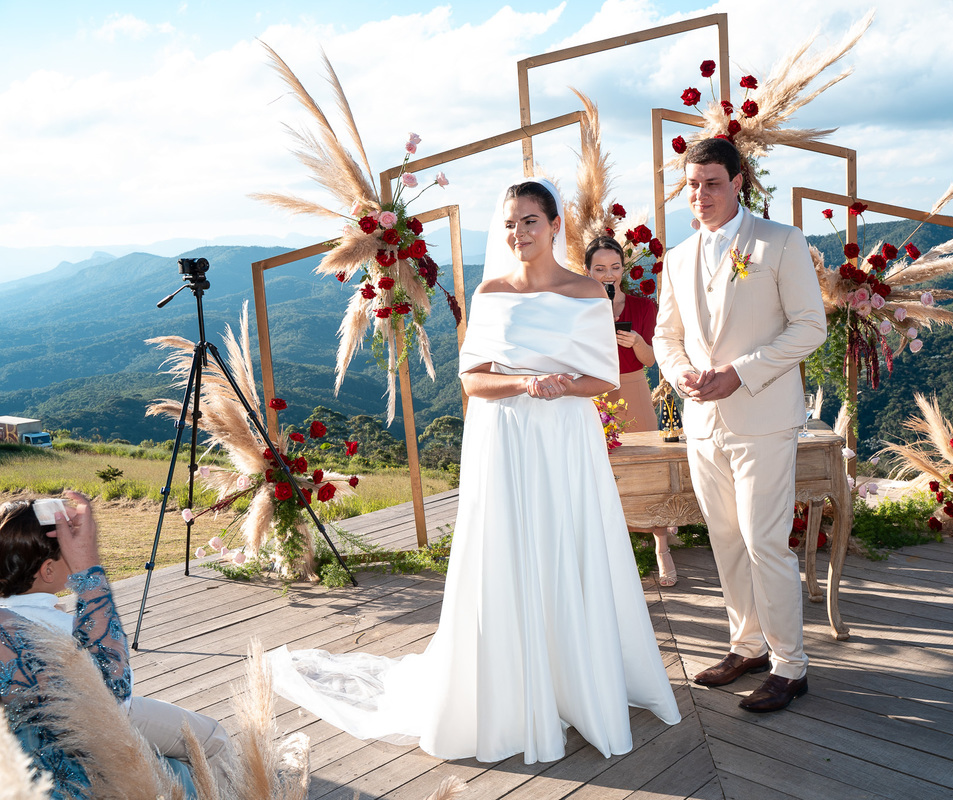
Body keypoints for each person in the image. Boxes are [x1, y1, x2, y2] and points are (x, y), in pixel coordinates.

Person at [270, 178, 680, 765]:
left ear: (555, 224)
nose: (518, 233)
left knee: (565, 545)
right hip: (507, 439)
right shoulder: (489, 292)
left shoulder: (587, 293)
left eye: (530, 221)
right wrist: (525, 383)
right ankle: (513, 690)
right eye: (510, 223)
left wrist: (559, 386)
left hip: (565, 437)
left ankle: (575, 681)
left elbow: (605, 380)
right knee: (509, 551)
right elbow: (473, 380)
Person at [654, 138, 827, 713]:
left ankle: (790, 665)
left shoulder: (780, 242)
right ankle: (747, 646)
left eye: (712, 183)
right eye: (692, 184)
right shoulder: (677, 258)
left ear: (738, 182)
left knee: (764, 542)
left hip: (763, 418)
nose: (700, 195)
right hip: (703, 421)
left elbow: (809, 327)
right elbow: (666, 335)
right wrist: (679, 373)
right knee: (726, 538)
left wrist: (741, 373)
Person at [0, 492, 234, 798]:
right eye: (66, 550)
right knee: (211, 738)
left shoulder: (13, 616)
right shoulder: (51, 629)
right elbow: (115, 694)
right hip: (95, 723)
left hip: (27, 741)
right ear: (47, 570)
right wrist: (88, 568)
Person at [584, 235, 678, 587]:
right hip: (594, 390)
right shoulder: (578, 307)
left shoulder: (642, 307)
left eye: (615, 267)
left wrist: (637, 341)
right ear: (587, 270)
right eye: (599, 269)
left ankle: (661, 547)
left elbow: (652, 360)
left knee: (646, 464)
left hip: (635, 385)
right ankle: (608, 550)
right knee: (601, 466)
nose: (608, 275)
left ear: (624, 268)